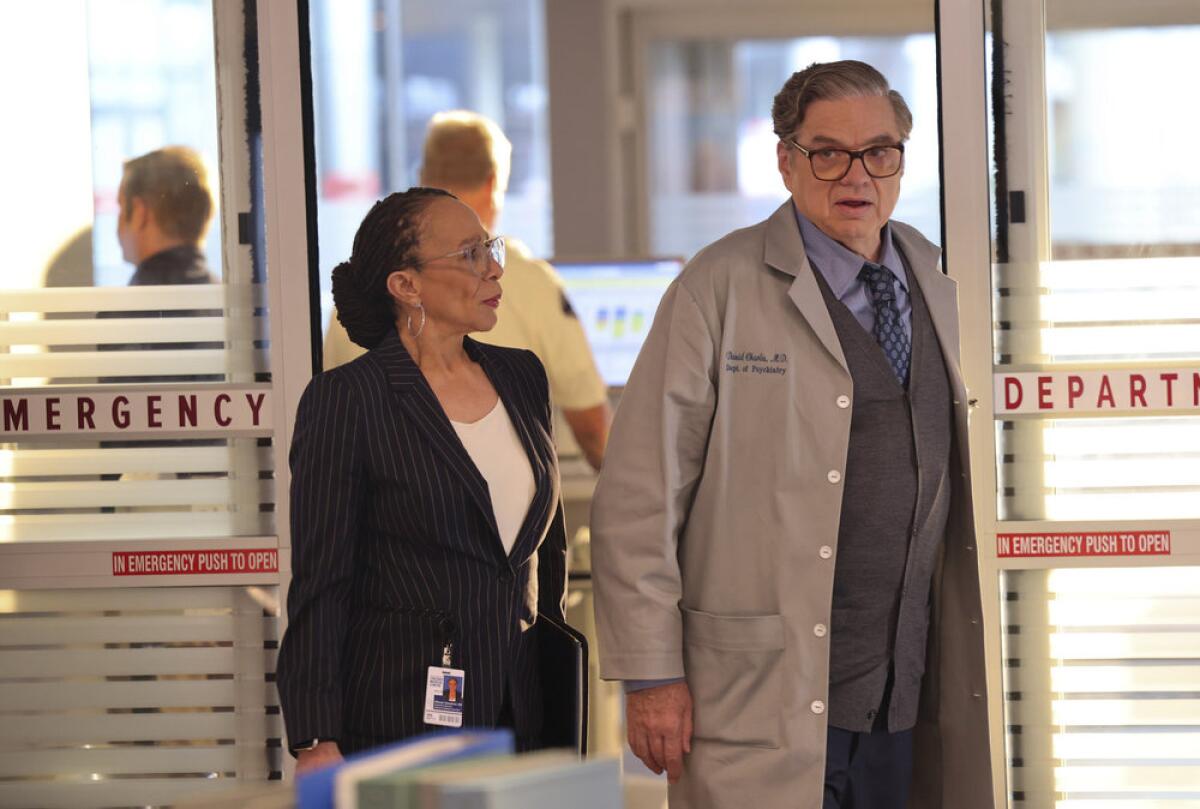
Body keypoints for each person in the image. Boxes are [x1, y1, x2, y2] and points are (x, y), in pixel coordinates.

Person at [590, 61, 993, 808]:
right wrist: (650, 672)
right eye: (827, 151)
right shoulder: (720, 285)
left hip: (902, 694)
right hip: (760, 691)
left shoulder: (934, 277)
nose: (857, 174)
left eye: (881, 150)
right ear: (785, 160)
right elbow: (639, 493)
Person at [276, 188, 568, 772]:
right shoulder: (348, 400)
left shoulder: (520, 375)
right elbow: (322, 582)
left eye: (490, 247)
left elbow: (546, 546)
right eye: (468, 254)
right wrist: (315, 736)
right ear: (405, 285)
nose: (493, 267)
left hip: (524, 708)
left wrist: (556, 666)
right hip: (398, 715)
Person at [324, 111, 611, 471]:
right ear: (493, 184)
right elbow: (593, 430)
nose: (493, 271)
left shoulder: (355, 301)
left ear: (422, 180)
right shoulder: (533, 284)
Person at [116, 145, 217, 286]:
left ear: (140, 213)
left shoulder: (129, 305)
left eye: (121, 207)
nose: (118, 223)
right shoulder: (232, 302)